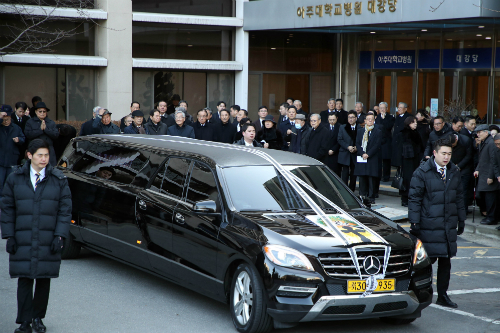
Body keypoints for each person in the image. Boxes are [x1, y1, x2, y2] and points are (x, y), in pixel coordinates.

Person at [1, 139, 72, 333]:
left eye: (47, 155)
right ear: (29, 155)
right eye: (40, 155)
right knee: (24, 279)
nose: (44, 159)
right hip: (22, 236)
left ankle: (37, 318)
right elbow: (7, 207)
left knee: (43, 279)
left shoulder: (58, 179)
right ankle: (24, 321)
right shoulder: (15, 178)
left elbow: (65, 210)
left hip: (47, 237)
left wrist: (60, 235)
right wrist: (9, 236)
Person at [409, 138, 466, 309]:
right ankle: (414, 292)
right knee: (425, 262)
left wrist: (461, 219)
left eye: (449, 154)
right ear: (435, 153)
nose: (447, 157)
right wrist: (415, 222)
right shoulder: (422, 172)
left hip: (447, 224)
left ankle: (442, 295)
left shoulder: (454, 171)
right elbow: (414, 199)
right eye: (443, 153)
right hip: (429, 224)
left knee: (446, 262)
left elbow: (459, 197)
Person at [473, 125, 499, 225]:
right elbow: (481, 159)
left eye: (479, 132)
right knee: (485, 197)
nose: (477, 135)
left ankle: (492, 218)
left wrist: (491, 176)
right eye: (477, 133)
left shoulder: (491, 143)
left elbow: (494, 161)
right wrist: (477, 169)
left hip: (489, 175)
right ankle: (489, 216)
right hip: (483, 174)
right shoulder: (483, 143)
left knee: (491, 198)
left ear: (486, 132)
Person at [394, 116, 422, 207]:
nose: (415, 124)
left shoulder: (416, 133)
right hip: (405, 161)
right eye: (413, 122)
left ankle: (411, 198)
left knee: (414, 180)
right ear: (408, 123)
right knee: (406, 180)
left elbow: (420, 146)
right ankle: (404, 199)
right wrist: (398, 163)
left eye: (416, 122)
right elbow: (398, 149)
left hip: (415, 160)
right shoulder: (403, 133)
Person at [354, 113, 382, 203]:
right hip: (362, 156)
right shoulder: (360, 131)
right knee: (362, 177)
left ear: (374, 121)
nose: (370, 120)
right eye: (368, 119)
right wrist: (362, 153)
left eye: (371, 119)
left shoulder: (378, 131)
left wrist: (368, 154)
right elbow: (357, 143)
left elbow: (377, 145)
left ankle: (371, 197)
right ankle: (362, 195)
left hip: (372, 157)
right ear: (365, 121)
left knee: (371, 177)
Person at [0, 106, 25, 198]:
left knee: (11, 183)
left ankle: (8, 200)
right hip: (1, 160)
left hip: (12, 159)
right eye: (4, 119)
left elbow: (23, 138)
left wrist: (19, 140)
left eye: (8, 119)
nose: (6, 121)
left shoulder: (16, 128)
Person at [24, 102, 59, 167]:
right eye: (40, 111)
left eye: (44, 111)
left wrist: (46, 129)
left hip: (49, 150)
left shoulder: (51, 122)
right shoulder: (30, 122)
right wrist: (40, 130)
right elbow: (28, 134)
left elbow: (56, 135)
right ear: (36, 112)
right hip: (35, 150)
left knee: (50, 170)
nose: (42, 113)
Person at [450, 133, 473, 213]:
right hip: (452, 167)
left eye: (453, 145)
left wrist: (459, 166)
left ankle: (463, 210)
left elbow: (469, 155)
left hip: (464, 168)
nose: (452, 147)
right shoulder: (447, 139)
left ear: (456, 140)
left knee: (463, 190)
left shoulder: (465, 140)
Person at [338, 111, 359, 192]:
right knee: (345, 173)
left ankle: (352, 190)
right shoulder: (342, 127)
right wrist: (348, 146)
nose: (350, 119)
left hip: (355, 153)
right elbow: (339, 139)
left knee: (354, 173)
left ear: (356, 118)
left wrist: (356, 147)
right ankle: (345, 190)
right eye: (349, 117)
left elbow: (361, 140)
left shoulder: (360, 128)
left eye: (352, 117)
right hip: (345, 152)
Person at [375, 102, 395, 182]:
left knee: (386, 160)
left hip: (387, 141)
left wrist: (383, 119)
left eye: (384, 108)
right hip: (379, 140)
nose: (382, 110)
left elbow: (388, 127)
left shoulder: (391, 117)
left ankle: (386, 177)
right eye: (381, 108)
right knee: (378, 159)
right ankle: (378, 175)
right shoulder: (376, 118)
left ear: (387, 109)